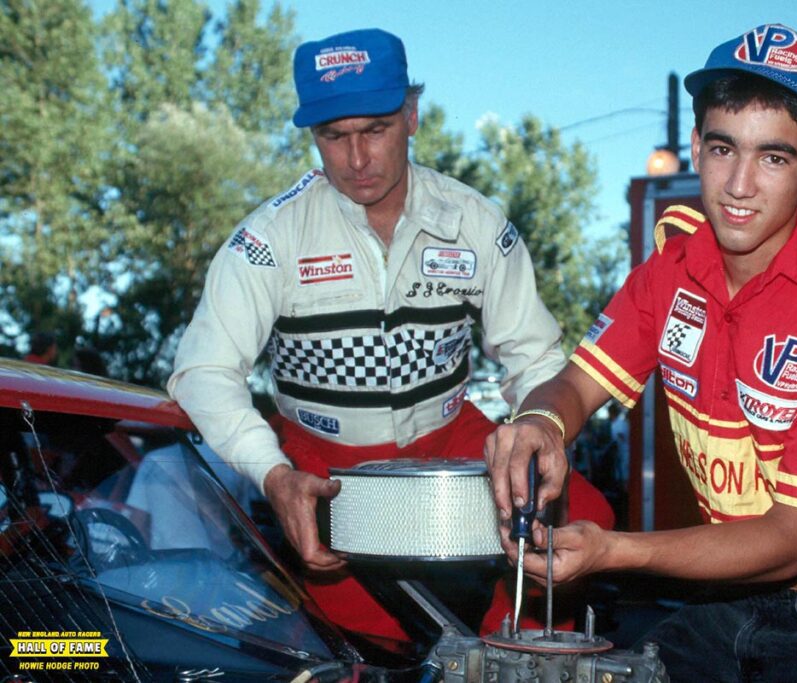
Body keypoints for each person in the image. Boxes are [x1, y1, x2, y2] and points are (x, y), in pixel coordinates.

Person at [485, 23, 797, 681]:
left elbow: (791, 543)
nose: (739, 185)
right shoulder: (668, 270)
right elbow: (574, 385)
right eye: (723, 148)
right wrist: (540, 424)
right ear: (695, 147)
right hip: (724, 594)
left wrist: (611, 550)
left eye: (773, 157)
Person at [168, 28, 612, 642]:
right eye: (334, 136)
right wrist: (272, 474)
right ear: (313, 135)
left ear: (412, 115)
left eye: (375, 129)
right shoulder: (268, 239)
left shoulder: (475, 221)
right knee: (369, 636)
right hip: (323, 456)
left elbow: (534, 356)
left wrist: (538, 442)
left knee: (582, 522)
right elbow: (202, 372)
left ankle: (510, 657)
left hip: (450, 435)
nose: (357, 159)